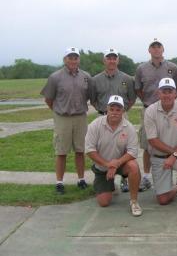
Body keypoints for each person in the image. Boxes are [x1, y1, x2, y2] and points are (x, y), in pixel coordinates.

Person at [144, 78, 177, 219]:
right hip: (159, 156)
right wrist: (173, 153)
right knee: (163, 200)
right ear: (158, 93)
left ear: (176, 94)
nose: (167, 95)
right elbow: (152, 140)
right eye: (164, 91)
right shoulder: (150, 111)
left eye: (170, 91)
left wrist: (174, 156)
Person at [41, 47, 91, 194]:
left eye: (76, 57)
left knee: (81, 150)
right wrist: (59, 111)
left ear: (79, 60)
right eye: (70, 57)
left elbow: (88, 95)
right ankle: (59, 182)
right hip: (62, 117)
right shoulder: (55, 77)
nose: (73, 60)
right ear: (65, 59)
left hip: (80, 116)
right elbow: (49, 99)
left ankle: (81, 179)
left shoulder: (86, 76)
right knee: (61, 152)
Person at [135, 39, 177, 192]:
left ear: (163, 49)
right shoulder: (141, 68)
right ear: (149, 50)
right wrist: (150, 103)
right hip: (149, 110)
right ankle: (147, 177)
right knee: (148, 146)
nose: (156, 49)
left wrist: (168, 103)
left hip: (170, 110)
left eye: (158, 47)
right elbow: (138, 89)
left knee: (174, 142)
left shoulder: (173, 68)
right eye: (153, 47)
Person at [85, 95, 142, 216]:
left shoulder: (129, 127)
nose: (114, 112)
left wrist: (116, 164)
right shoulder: (95, 125)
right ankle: (111, 186)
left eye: (118, 109)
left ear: (123, 111)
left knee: (133, 166)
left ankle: (134, 201)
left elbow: (133, 152)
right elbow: (90, 150)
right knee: (104, 202)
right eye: (112, 109)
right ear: (107, 109)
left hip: (121, 164)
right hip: (102, 166)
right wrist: (108, 164)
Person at [91, 48, 137, 193]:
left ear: (118, 60)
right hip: (102, 116)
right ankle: (104, 173)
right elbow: (93, 99)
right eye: (108, 58)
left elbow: (132, 98)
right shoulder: (95, 80)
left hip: (122, 116)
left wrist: (121, 112)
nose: (111, 60)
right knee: (102, 148)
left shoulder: (127, 79)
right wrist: (104, 112)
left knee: (123, 148)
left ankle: (124, 179)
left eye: (114, 58)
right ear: (104, 60)